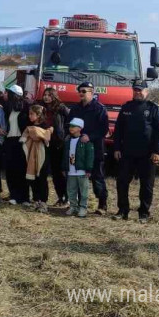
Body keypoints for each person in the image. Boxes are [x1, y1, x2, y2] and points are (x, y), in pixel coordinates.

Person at [111, 80, 159, 224]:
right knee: (122, 182)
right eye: (135, 90)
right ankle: (123, 211)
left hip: (147, 154)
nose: (137, 92)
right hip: (127, 153)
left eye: (140, 90)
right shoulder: (126, 108)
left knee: (146, 185)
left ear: (146, 92)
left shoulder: (153, 108)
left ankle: (144, 213)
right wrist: (116, 148)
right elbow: (118, 131)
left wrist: (157, 151)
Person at [67, 81, 109, 214]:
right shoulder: (75, 109)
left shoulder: (99, 108)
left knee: (97, 176)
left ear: (92, 92)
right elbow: (68, 124)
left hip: (94, 148)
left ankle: (102, 204)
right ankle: (79, 204)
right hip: (77, 149)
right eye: (79, 91)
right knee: (78, 176)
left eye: (84, 91)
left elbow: (104, 129)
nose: (81, 93)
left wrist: (90, 137)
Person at [38, 87, 70, 206]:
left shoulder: (61, 107)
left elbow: (70, 120)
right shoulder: (42, 108)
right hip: (45, 143)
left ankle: (66, 197)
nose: (46, 97)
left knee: (58, 172)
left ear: (54, 96)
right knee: (45, 171)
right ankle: (57, 197)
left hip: (58, 143)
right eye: (44, 94)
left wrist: (63, 134)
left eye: (48, 95)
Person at [21, 104, 53, 212]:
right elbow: (25, 136)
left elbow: (46, 138)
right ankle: (36, 200)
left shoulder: (45, 126)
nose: (29, 116)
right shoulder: (29, 125)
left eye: (32, 114)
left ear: (38, 115)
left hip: (42, 156)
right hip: (31, 156)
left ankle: (43, 202)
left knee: (42, 179)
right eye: (29, 114)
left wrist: (38, 133)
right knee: (32, 178)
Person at [3, 85, 30, 206]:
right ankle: (13, 195)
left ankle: (25, 198)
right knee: (10, 170)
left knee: (22, 170)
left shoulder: (27, 107)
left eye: (8, 93)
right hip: (10, 140)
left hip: (22, 141)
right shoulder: (8, 107)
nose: (6, 94)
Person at [62, 118, 93, 218]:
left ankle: (83, 207)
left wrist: (88, 169)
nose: (71, 128)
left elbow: (90, 155)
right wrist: (64, 167)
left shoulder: (85, 141)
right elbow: (65, 155)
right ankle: (73, 206)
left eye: (73, 126)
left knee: (83, 191)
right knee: (71, 190)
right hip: (71, 171)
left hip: (81, 171)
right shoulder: (68, 140)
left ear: (80, 128)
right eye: (70, 126)